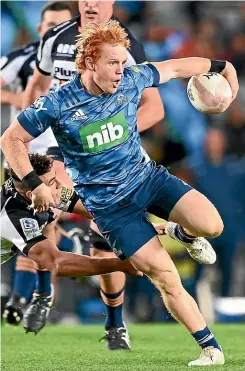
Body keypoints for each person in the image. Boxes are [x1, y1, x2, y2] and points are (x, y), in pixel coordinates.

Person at [1, 21, 239, 365]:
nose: (120, 70)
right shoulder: (56, 103)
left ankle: (182, 232)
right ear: (89, 63)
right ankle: (210, 348)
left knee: (213, 226)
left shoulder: (133, 78)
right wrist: (34, 184)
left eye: (123, 62)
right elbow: (10, 139)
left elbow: (175, 67)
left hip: (148, 180)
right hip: (111, 209)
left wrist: (223, 67)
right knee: (165, 276)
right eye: (113, 63)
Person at [22, 0, 164, 350]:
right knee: (43, 209)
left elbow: (155, 108)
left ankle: (115, 324)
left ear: (111, 3)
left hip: (107, 152)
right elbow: (38, 87)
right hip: (58, 149)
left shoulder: (128, 44)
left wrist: (114, 134)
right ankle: (42, 291)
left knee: (105, 239)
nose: (89, 3)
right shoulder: (55, 37)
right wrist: (28, 142)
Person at [0, 152, 142, 333]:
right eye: (52, 182)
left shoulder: (41, 191)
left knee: (48, 226)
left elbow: (100, 212)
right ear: (32, 194)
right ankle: (36, 296)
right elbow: (58, 264)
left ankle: (42, 294)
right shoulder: (14, 219)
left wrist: (158, 228)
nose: (60, 184)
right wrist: (119, 264)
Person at [0, 1, 74, 326]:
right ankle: (31, 294)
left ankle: (28, 295)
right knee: (34, 220)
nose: (56, 32)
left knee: (48, 217)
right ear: (40, 27)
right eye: (50, 25)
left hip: (68, 151)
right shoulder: (22, 59)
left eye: (63, 26)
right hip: (26, 153)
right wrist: (19, 99)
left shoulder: (84, 59)